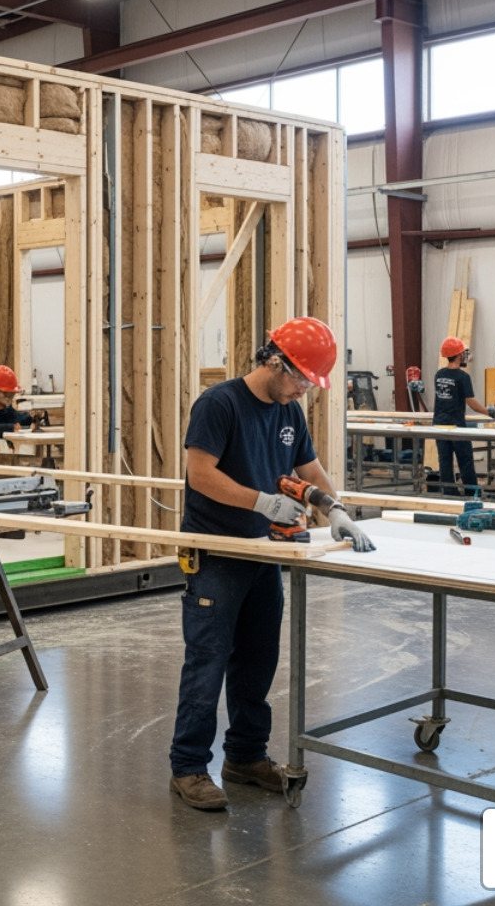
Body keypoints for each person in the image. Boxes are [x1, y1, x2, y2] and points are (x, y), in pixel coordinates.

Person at [168, 317, 375, 811]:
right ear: (276, 362)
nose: (305, 390)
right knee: (207, 661)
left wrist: (336, 510)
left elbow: (309, 468)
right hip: (216, 552)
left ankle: (244, 756)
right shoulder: (219, 404)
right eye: (302, 379)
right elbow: (200, 475)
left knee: (258, 659)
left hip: (264, 552)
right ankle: (188, 767)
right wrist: (262, 502)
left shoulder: (289, 412)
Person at [431, 337, 489, 498]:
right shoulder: (463, 377)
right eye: (463, 353)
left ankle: (449, 492)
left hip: (439, 424)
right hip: (456, 425)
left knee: (445, 460)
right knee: (465, 459)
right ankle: (472, 492)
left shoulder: (439, 375)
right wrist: (489, 412)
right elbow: (471, 402)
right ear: (458, 355)